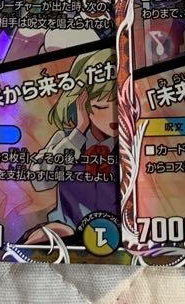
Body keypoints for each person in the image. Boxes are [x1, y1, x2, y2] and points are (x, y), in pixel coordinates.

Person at [22, 49, 117, 243]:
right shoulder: (66, 139)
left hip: (116, 236)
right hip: (68, 234)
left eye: (119, 104)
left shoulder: (131, 144)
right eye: (101, 106)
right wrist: (78, 132)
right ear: (82, 105)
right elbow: (40, 181)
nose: (112, 116)